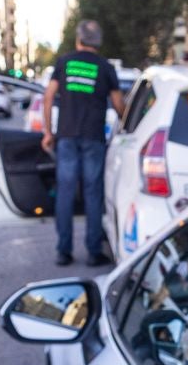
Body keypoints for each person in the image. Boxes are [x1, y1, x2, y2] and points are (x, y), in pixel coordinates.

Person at [41, 20, 125, 265]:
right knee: (92, 194)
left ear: (78, 40)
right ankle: (93, 251)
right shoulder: (105, 67)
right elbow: (119, 105)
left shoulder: (64, 62)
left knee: (65, 194)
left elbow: (48, 98)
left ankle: (63, 251)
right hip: (93, 138)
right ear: (98, 42)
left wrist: (48, 132)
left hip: (66, 137)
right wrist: (130, 124)